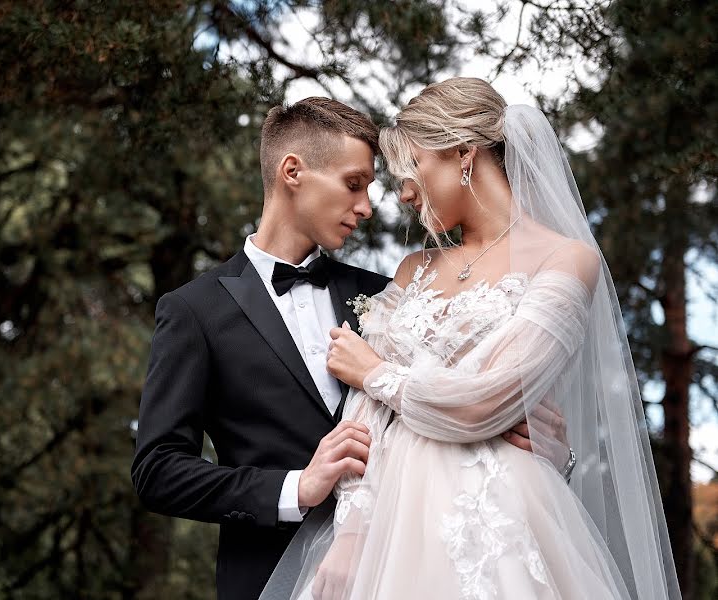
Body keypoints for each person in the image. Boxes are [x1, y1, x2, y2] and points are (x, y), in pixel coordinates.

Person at [259, 77, 681, 600]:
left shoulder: (566, 261)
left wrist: (376, 371)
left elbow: (489, 399)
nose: (403, 193)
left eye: (412, 170)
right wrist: (350, 534)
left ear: (462, 152)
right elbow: (363, 415)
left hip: (499, 514)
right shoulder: (414, 267)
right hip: (384, 524)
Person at [131, 96, 559, 600]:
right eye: (353, 185)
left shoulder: (393, 291)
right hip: (270, 575)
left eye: (370, 188)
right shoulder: (194, 310)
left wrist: (527, 430)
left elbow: (456, 401)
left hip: (414, 561)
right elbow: (157, 469)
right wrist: (295, 488)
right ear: (293, 171)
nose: (365, 207)